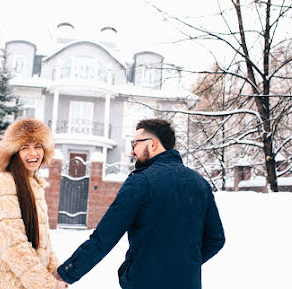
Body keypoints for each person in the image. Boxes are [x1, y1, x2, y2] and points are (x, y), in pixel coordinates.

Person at [54, 118, 225, 289]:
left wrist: (65, 274)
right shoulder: (200, 183)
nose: (132, 152)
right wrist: (184, 266)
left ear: (153, 144)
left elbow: (103, 238)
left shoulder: (141, 182)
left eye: (135, 144)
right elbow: (216, 239)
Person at [0, 118, 68, 289]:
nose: (33, 153)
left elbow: (44, 242)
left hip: (28, 281)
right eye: (25, 148)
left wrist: (55, 273)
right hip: (6, 282)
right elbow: (14, 244)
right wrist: (45, 284)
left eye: (38, 146)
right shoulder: (6, 185)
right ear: (14, 152)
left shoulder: (35, 185)